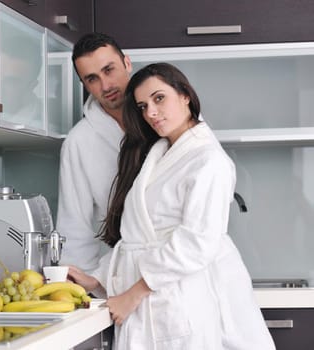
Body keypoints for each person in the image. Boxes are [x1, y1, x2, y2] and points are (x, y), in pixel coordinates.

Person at [68, 63, 275, 349]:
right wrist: (96, 279)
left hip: (178, 297)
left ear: (185, 95)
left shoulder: (208, 161)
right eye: (142, 106)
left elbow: (196, 242)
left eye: (159, 98)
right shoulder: (160, 153)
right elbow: (139, 238)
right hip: (152, 299)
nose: (151, 112)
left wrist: (133, 294)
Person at [56, 33, 132, 275]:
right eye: (92, 79)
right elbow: (75, 225)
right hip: (120, 275)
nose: (105, 86)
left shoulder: (164, 115)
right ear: (84, 84)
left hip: (185, 264)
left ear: (127, 63)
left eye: (109, 70)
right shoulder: (79, 142)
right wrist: (81, 291)